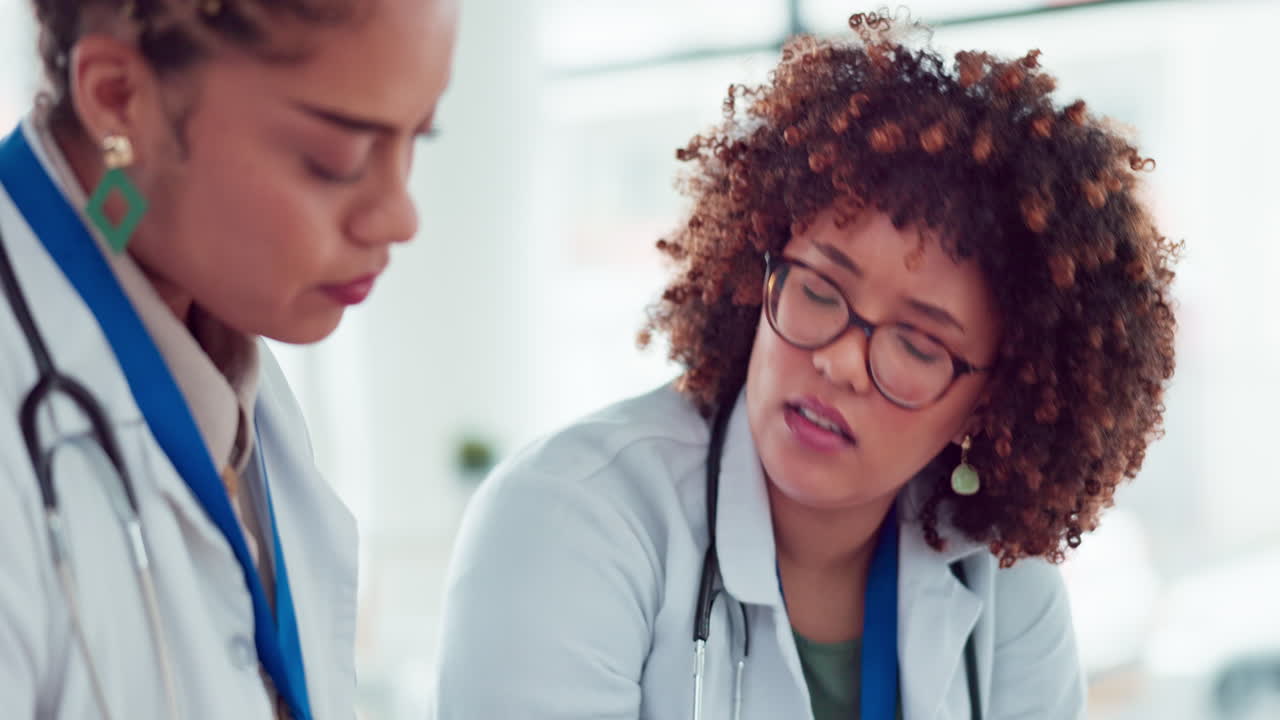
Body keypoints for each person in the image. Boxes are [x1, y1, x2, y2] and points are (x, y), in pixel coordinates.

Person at [433, 10, 1177, 720]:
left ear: (994, 402)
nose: (843, 361)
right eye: (820, 290)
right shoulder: (573, 522)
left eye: (918, 344)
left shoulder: (1007, 590)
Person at [0, 0, 456, 718]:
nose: (400, 215)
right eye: (334, 157)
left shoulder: (233, 363)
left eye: (417, 139)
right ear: (119, 98)